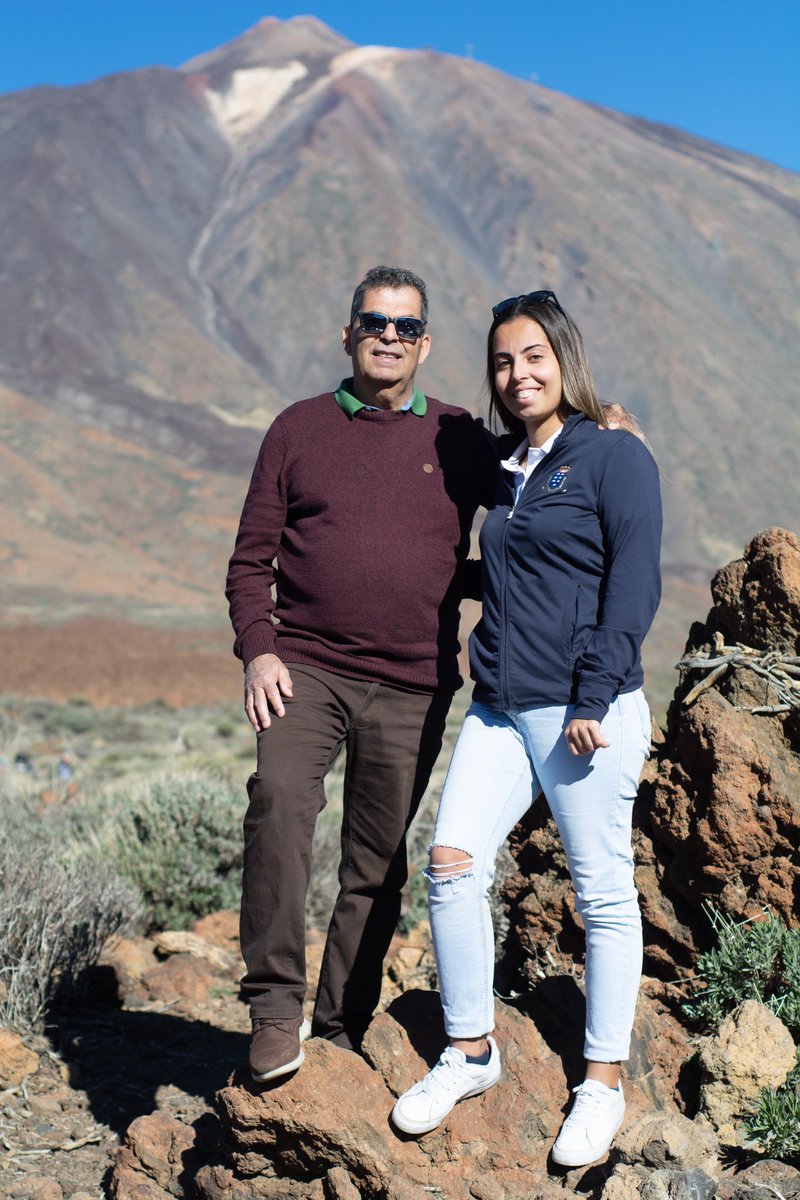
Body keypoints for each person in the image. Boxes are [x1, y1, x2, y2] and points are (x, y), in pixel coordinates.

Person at [391, 290, 662, 1169]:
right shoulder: (510, 468)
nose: (518, 375)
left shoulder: (614, 455)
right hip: (502, 707)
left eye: (534, 356)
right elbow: (515, 568)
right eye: (504, 362)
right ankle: (471, 1051)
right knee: (450, 866)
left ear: (565, 359)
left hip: (589, 711)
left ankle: (603, 1081)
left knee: (603, 894)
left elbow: (634, 583)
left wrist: (592, 698)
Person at [225, 265, 496, 1082]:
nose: (389, 335)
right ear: (348, 334)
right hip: (305, 667)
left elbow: (537, 496)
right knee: (277, 807)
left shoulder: (459, 436)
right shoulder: (297, 428)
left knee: (377, 863)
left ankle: (340, 1028)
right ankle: (275, 1012)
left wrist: (604, 434)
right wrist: (258, 648)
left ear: (425, 344)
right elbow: (249, 561)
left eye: (406, 326)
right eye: (374, 321)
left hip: (415, 682)